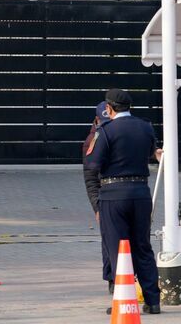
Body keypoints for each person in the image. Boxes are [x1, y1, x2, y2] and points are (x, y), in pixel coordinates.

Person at [86, 89, 163, 315]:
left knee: (118, 249)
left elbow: (93, 163)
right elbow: (152, 152)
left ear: (109, 109)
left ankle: (124, 299)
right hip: (141, 192)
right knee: (142, 246)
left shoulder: (106, 131)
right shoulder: (145, 127)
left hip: (113, 194)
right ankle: (153, 301)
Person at [82, 102, 112, 293]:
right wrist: (96, 207)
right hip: (106, 197)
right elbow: (90, 178)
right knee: (109, 242)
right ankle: (112, 280)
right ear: (96, 120)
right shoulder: (92, 141)